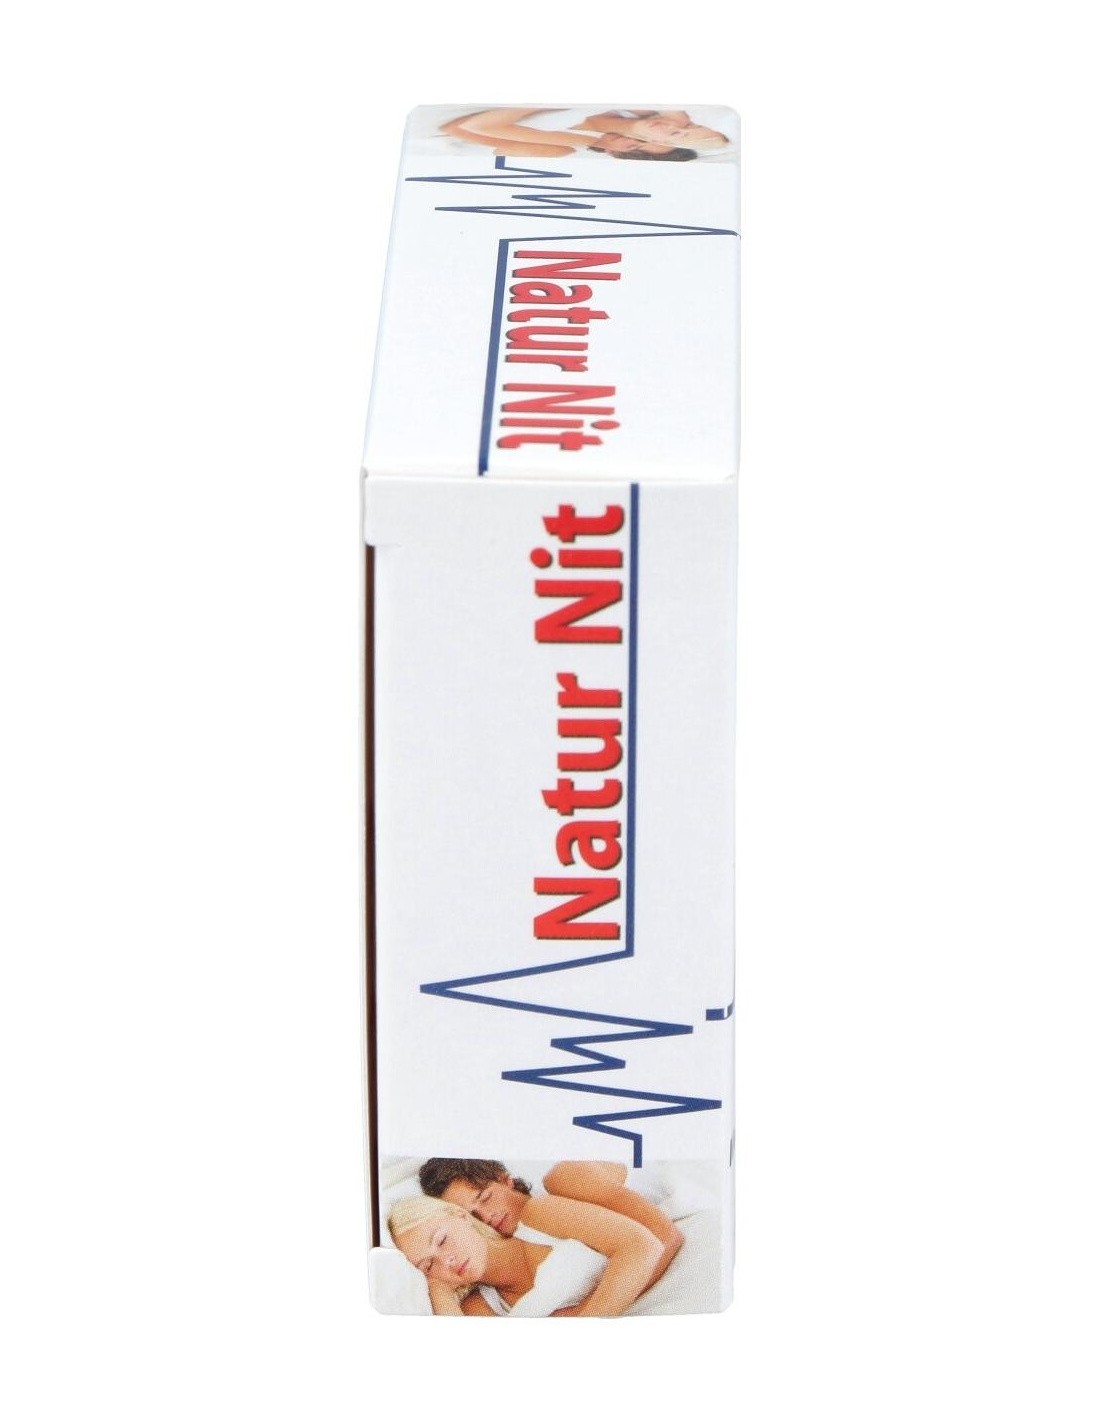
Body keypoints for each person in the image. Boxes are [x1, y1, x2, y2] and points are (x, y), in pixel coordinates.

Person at [418, 1158, 683, 1293]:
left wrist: (595, 1307)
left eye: (485, 1198)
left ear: (505, 1179)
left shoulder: (562, 1179)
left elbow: (666, 1237)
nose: (486, 1216)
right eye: (473, 1215)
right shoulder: (522, 1251)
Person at [388, 1194, 657, 1317]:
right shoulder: (479, 1308)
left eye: (442, 1240)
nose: (446, 1260)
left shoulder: (539, 1217)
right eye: (428, 1265)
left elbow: (642, 1245)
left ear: (461, 1216)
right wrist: (441, 1293)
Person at [439, 106, 699, 161]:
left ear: (618, 153)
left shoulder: (564, 147)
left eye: (634, 146)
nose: (632, 139)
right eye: (649, 140)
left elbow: (456, 129)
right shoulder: (632, 112)